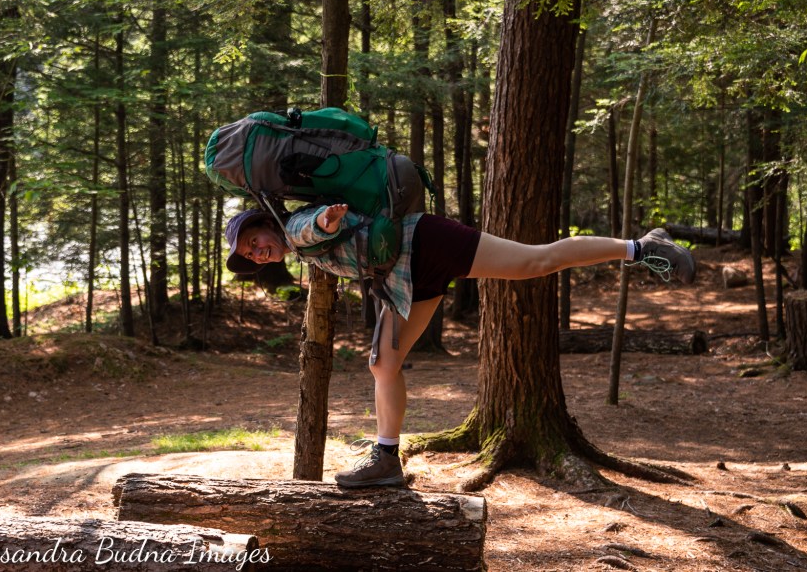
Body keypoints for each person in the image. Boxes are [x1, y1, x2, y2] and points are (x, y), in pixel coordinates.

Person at [225, 203, 696, 488]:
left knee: (536, 261)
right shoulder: (294, 240)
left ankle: (643, 246)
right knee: (383, 364)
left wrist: (325, 223)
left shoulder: (296, 228)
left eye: (253, 241)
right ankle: (386, 458)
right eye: (250, 255)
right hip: (408, 273)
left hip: (426, 242)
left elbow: (317, 226)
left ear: (266, 224)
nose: (257, 252)